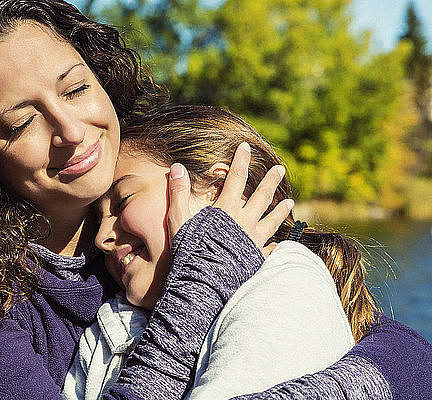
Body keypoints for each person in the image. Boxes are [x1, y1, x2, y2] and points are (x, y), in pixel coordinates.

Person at [0, 0, 429, 399]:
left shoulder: (142, 216)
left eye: (76, 88)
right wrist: (202, 283)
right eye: (21, 122)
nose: (71, 129)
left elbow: (405, 360)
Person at [62, 104, 359, 399]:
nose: (101, 238)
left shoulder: (287, 289)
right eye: (98, 220)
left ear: (217, 191)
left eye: (123, 200)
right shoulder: (111, 323)